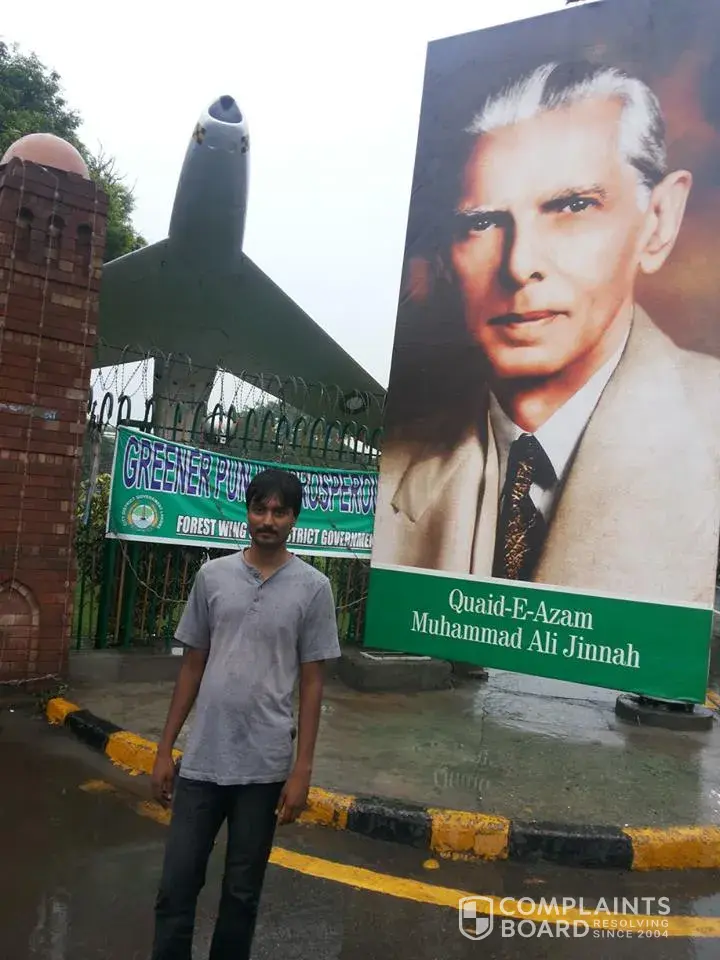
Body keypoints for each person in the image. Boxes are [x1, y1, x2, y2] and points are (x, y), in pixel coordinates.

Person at [373, 60, 720, 607]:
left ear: (658, 221)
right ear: (444, 254)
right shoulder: (396, 464)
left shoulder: (710, 434)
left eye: (573, 206)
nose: (519, 265)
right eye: (481, 222)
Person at [149, 467, 341, 960]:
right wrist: (164, 749)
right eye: (260, 509)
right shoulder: (212, 577)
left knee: (241, 895)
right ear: (247, 512)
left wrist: (302, 770)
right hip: (202, 763)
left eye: (279, 511)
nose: (268, 520)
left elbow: (313, 683)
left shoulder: (313, 588)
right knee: (176, 888)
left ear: (294, 518)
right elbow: (192, 666)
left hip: (264, 769)